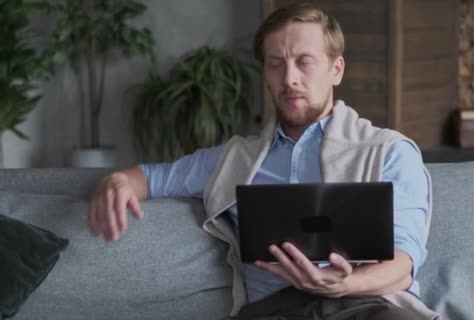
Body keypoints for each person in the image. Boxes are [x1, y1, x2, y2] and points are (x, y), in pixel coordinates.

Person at [89, 2, 437, 319]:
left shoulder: (389, 151)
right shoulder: (234, 160)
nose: (289, 79)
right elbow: (149, 177)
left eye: (304, 62)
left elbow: (402, 264)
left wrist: (342, 284)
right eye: (276, 65)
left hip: (365, 305)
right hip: (272, 312)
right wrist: (116, 182)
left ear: (336, 69)